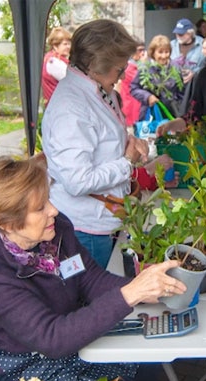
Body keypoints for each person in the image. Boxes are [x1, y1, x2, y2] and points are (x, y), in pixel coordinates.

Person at [0, 155, 187, 381]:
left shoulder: (56, 230)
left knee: (145, 358)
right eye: (40, 207)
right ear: (8, 224)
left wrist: (144, 290)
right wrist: (129, 294)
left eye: (48, 200)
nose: (53, 210)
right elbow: (52, 338)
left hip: (66, 336)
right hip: (24, 364)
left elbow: (89, 278)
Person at [41, 20, 156, 269]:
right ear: (95, 65)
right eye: (118, 69)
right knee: (95, 296)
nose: (123, 75)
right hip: (86, 228)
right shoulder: (71, 109)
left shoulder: (98, 89)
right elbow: (78, 181)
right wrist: (127, 162)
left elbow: (102, 139)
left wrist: (130, 141)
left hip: (104, 219)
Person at [131, 35, 185, 119]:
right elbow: (134, 88)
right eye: (160, 52)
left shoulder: (175, 68)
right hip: (151, 114)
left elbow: (181, 93)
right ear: (153, 53)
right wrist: (147, 96)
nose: (164, 56)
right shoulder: (145, 68)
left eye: (166, 52)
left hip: (171, 113)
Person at [41, 27, 71, 105]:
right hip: (60, 107)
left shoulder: (54, 59)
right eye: (65, 44)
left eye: (69, 44)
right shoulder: (54, 62)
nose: (68, 47)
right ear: (55, 46)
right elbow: (72, 83)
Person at [120, 40, 146, 128]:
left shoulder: (137, 65)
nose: (142, 53)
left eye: (143, 50)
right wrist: (144, 64)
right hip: (131, 107)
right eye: (140, 50)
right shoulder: (129, 67)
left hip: (138, 106)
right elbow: (142, 81)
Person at [170, 18, 205, 82]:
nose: (177, 36)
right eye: (176, 33)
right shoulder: (171, 45)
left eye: (181, 34)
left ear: (190, 33)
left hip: (196, 84)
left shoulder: (202, 44)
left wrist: (195, 73)